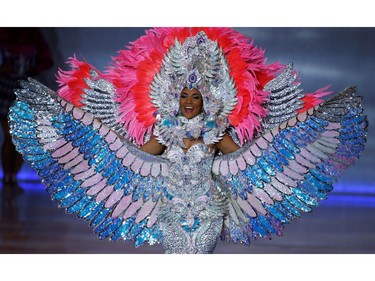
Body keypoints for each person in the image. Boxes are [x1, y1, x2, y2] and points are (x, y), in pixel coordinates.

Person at [7, 27, 367, 254]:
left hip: (209, 212)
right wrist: (88, 132)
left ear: (207, 98)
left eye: (196, 96)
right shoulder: (163, 131)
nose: (190, 101)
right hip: (170, 212)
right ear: (175, 98)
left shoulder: (217, 132)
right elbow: (130, 155)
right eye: (184, 96)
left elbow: (246, 157)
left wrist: (283, 136)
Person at [0, 27, 53, 197]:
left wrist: (33, 70)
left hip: (24, 87)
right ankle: (8, 177)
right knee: (9, 136)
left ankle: (12, 177)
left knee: (20, 138)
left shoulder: (33, 34)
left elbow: (47, 59)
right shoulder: (3, 33)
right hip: (4, 87)